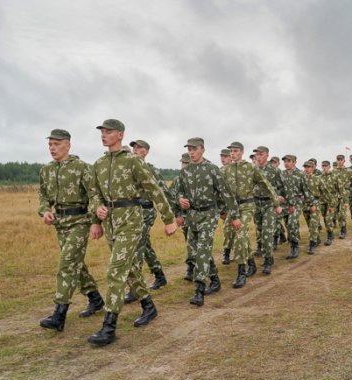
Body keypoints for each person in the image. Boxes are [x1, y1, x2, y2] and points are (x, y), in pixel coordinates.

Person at [87, 119, 178, 346]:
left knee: (115, 270)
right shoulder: (98, 164)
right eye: (102, 132)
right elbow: (94, 194)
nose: (103, 135)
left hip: (130, 220)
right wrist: (95, 217)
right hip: (110, 223)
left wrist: (168, 219)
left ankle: (109, 326)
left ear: (120, 135)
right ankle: (149, 306)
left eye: (108, 132)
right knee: (128, 270)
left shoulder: (133, 161)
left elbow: (154, 190)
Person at [37, 129, 105, 332]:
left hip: (80, 222)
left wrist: (95, 222)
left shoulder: (82, 168)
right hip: (60, 224)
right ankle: (95, 298)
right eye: (50, 144)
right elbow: (42, 195)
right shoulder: (46, 170)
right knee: (77, 264)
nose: (52, 148)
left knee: (67, 263)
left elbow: (94, 195)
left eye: (56, 144)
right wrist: (44, 211)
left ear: (68, 145)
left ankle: (59, 313)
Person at [175, 137, 241, 305]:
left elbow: (226, 193)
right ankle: (215, 279)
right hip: (192, 216)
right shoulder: (185, 171)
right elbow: (178, 192)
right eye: (189, 149)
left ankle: (199, 289)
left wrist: (234, 216)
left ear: (202, 149)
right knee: (196, 252)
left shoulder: (212, 169)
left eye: (194, 149)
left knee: (203, 248)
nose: (191, 152)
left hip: (209, 214)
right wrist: (180, 201)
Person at [223, 142, 281, 287]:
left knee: (241, 234)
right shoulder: (226, 170)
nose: (232, 154)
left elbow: (266, 184)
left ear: (242, 152)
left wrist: (276, 203)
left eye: (235, 151)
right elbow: (219, 190)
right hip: (233, 208)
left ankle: (242, 271)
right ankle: (251, 262)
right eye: (231, 152)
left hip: (247, 206)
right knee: (229, 233)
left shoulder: (250, 168)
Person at [122, 140, 170, 305]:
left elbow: (163, 191)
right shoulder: (127, 168)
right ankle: (160, 276)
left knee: (137, 247)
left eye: (139, 148)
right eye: (133, 147)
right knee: (145, 245)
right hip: (132, 212)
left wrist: (172, 215)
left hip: (147, 211)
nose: (135, 150)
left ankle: (135, 289)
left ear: (146, 151)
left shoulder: (152, 170)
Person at [253, 145, 286, 274]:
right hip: (257, 204)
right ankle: (262, 250)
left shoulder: (274, 171)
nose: (258, 157)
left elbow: (282, 187)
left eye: (261, 154)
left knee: (267, 233)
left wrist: (280, 199)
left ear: (267, 155)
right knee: (260, 231)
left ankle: (268, 260)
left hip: (269, 205)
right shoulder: (253, 170)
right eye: (257, 155)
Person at [281, 155, 315, 259]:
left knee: (291, 223)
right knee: (288, 224)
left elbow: (306, 190)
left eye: (289, 161)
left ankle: (295, 247)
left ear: (294, 162)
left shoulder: (300, 174)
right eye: (285, 161)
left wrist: (312, 204)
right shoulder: (282, 174)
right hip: (285, 203)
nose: (286, 163)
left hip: (296, 202)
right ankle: (293, 241)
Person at [303, 160, 334, 254]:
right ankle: (317, 239)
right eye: (305, 167)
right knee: (309, 224)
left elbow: (326, 192)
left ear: (313, 168)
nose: (307, 169)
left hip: (316, 204)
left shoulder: (317, 179)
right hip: (305, 205)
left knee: (313, 224)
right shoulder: (301, 179)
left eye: (309, 167)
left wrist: (331, 205)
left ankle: (312, 244)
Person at [319, 160, 342, 245]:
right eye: (323, 166)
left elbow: (340, 188)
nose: (324, 168)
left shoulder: (334, 176)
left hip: (332, 201)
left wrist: (343, 199)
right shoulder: (319, 177)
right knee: (325, 218)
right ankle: (330, 231)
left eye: (326, 166)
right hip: (322, 201)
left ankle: (329, 236)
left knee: (328, 218)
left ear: (329, 167)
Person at [219, 148, 235, 265]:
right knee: (227, 231)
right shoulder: (219, 171)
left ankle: (240, 254)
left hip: (236, 206)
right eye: (222, 156)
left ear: (230, 157)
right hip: (225, 208)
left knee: (237, 231)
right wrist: (221, 210)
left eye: (225, 156)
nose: (223, 159)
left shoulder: (235, 171)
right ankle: (226, 253)